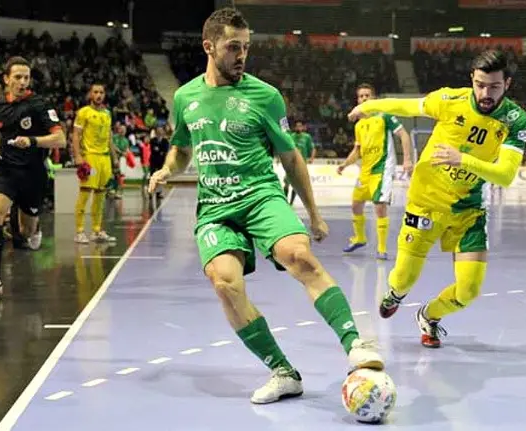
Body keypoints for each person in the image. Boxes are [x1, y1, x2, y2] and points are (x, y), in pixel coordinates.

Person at [147, 7, 383, 404]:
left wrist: (314, 213)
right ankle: (283, 372)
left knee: (299, 256)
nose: (242, 55)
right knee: (224, 282)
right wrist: (168, 169)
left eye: (246, 47)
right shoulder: (186, 96)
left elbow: (291, 159)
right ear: (209, 46)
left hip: (260, 196)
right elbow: (182, 148)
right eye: (233, 47)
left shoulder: (265, 96)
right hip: (216, 208)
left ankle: (355, 344)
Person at [347, 49, 526, 348]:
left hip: (468, 209)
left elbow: (506, 175)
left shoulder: (515, 120)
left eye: (494, 87)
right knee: (404, 279)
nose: (485, 93)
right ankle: (395, 293)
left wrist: (464, 160)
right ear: (472, 79)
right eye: (480, 84)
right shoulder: (450, 100)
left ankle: (429, 316)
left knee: (468, 290)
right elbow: (408, 107)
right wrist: (372, 106)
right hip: (426, 204)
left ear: (507, 84)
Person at [0, 56, 67, 297]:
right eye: (17, 77)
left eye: (26, 78)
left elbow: (60, 139)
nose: (22, 82)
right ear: (6, 79)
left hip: (32, 172)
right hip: (4, 170)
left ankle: (35, 224)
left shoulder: (39, 105)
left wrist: (32, 141)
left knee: (26, 230)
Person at [338, 84, 413, 260]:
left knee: (380, 207)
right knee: (356, 205)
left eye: (367, 96)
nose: (364, 99)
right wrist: (345, 164)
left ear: (374, 99)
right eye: (361, 96)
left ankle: (381, 248)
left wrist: (407, 160)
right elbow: (357, 151)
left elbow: (404, 135)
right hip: (365, 171)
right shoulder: (359, 125)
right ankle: (360, 238)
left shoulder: (385, 116)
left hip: (382, 169)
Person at [72, 83, 116, 244]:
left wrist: (114, 157)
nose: (98, 95)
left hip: (105, 159)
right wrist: (77, 156)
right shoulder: (83, 112)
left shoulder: (107, 113)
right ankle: (79, 231)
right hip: (90, 157)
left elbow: (109, 136)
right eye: (95, 92)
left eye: (101, 92)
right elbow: (76, 135)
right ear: (90, 94)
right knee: (85, 194)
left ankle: (96, 230)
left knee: (101, 196)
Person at [283, 119, 315, 205]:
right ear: (294, 127)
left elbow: (312, 148)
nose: (298, 127)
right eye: (297, 126)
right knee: (286, 184)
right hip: (290, 164)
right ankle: (285, 202)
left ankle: (291, 203)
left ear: (303, 127)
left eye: (300, 126)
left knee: (296, 185)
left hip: (301, 165)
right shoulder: (291, 136)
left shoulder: (307, 137)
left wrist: (312, 158)